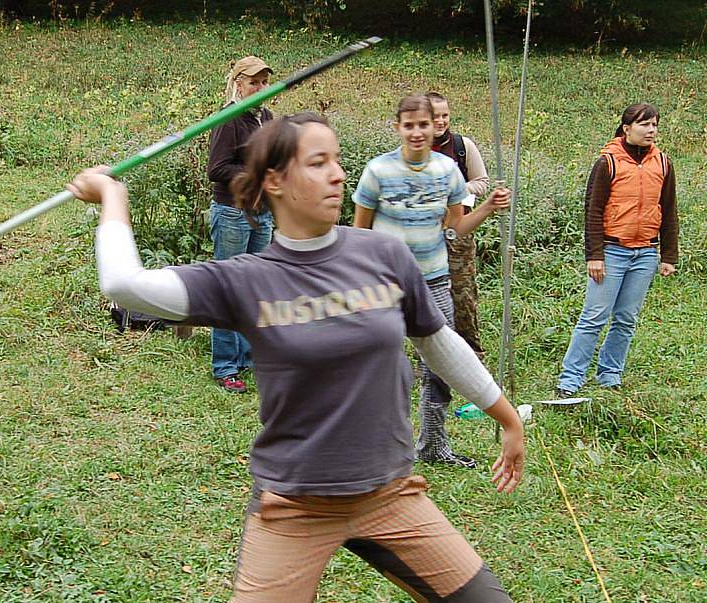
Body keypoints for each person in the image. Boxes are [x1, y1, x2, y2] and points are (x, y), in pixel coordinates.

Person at [67, 112, 524, 602]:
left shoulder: (383, 256)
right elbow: (123, 286)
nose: (339, 174)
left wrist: (506, 417)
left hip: (389, 496)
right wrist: (113, 198)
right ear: (275, 181)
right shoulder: (246, 279)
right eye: (318, 162)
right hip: (293, 507)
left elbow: (437, 342)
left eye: (339, 161)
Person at [353, 94, 510, 469]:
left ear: (434, 126)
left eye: (423, 124)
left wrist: (488, 207)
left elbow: (455, 229)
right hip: (386, 283)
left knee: (441, 366)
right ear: (397, 128)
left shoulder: (447, 170)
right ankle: (373, 445)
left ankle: (433, 445)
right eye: (409, 125)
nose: (417, 132)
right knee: (380, 365)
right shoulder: (377, 171)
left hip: (435, 281)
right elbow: (360, 232)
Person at [556, 102, 678, 397]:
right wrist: (594, 255)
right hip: (612, 251)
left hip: (645, 253)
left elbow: (669, 209)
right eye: (644, 124)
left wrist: (668, 255)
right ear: (627, 129)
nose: (651, 130)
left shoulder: (662, 163)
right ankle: (570, 380)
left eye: (654, 125)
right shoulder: (608, 162)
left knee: (626, 318)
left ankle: (610, 375)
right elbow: (593, 210)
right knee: (594, 316)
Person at [206, 55, 274, 393]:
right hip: (233, 212)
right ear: (238, 84)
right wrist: (254, 178)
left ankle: (249, 358)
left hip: (263, 212)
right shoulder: (229, 118)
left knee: (255, 287)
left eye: (263, 82)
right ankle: (225, 366)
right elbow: (217, 169)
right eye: (253, 82)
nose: (260, 88)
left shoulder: (267, 118)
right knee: (229, 288)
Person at [427, 91, 490, 360]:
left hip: (459, 230)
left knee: (462, 293)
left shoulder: (462, 146)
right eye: (434, 116)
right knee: (427, 294)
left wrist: (456, 189)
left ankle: (471, 352)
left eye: (445, 115)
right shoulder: (415, 147)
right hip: (424, 233)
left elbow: (482, 181)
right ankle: (431, 356)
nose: (441, 121)